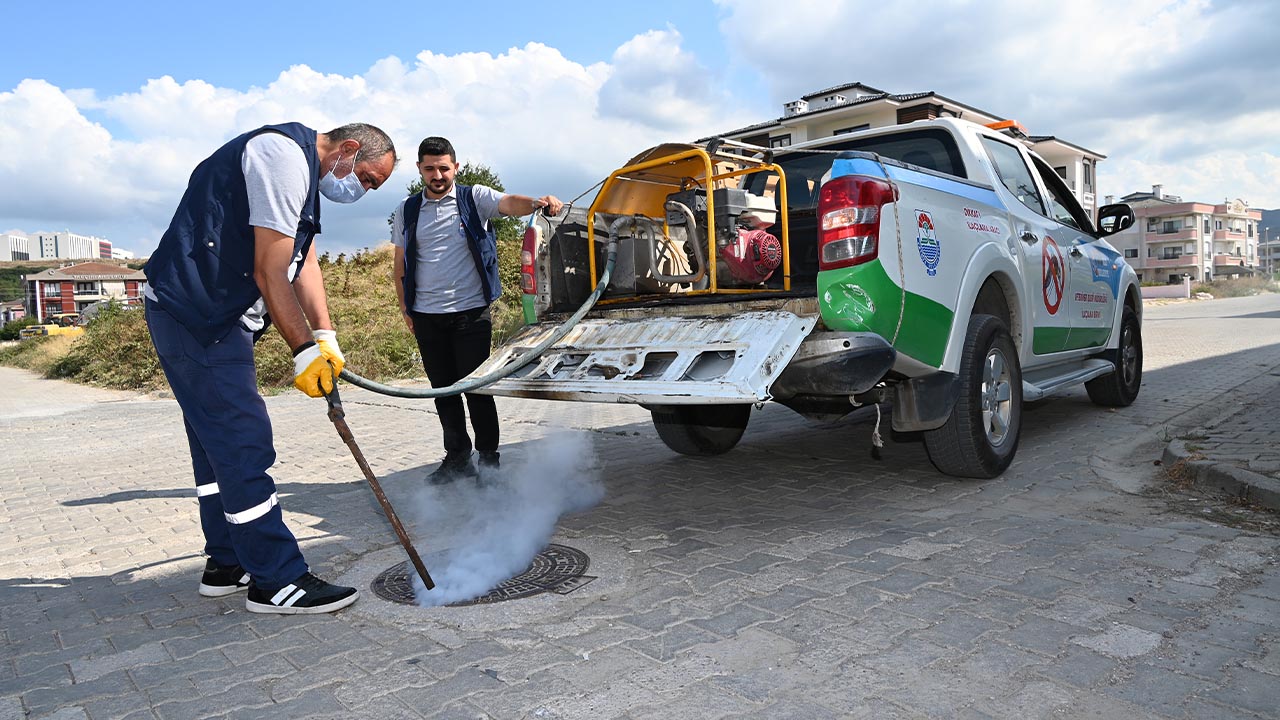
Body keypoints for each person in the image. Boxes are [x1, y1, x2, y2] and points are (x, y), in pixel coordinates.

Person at [143, 122, 397, 614]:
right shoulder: (282, 159)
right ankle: (277, 581)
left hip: (204, 314)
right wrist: (302, 349)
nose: (361, 191)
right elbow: (269, 269)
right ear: (347, 149)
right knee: (242, 439)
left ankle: (227, 563)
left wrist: (325, 335)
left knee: (216, 442)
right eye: (366, 178)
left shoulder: (301, 175)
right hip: (197, 314)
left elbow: (303, 259)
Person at [390, 136, 563, 483]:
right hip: (426, 315)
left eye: (443, 168)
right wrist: (406, 309)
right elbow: (400, 265)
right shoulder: (406, 210)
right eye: (430, 168)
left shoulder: (474, 198)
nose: (437, 175)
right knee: (443, 390)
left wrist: (537, 203)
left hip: (470, 313)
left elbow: (509, 202)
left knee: (476, 389)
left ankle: (488, 460)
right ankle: (457, 459)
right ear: (420, 169)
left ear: (456, 166)